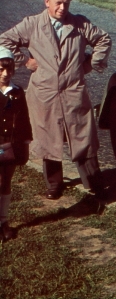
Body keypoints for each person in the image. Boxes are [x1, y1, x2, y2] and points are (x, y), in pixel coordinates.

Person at [0, 0, 111, 200]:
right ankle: (54, 184)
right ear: (47, 1)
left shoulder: (79, 24)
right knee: (48, 138)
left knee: (83, 136)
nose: (62, 8)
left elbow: (103, 39)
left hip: (73, 91)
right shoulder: (32, 24)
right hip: (44, 92)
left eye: (66, 3)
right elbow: (4, 40)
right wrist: (24, 61)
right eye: (58, 2)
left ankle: (94, 183)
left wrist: (91, 64)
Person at [0, 47, 32, 241]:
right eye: (1, 69)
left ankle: (4, 221)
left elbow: (24, 119)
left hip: (9, 145)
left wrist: (25, 140)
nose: (5, 74)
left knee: (5, 180)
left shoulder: (17, 92)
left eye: (9, 70)